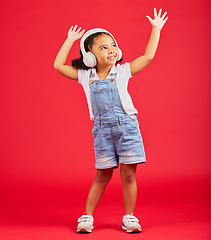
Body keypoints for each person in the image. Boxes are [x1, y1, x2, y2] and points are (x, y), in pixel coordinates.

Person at [54, 8, 168, 233]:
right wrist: (69, 40)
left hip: (127, 128)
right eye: (103, 47)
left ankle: (129, 217)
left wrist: (156, 29)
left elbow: (148, 57)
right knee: (102, 174)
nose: (111, 50)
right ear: (89, 55)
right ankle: (86, 217)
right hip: (102, 130)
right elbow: (58, 66)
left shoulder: (123, 71)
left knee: (128, 174)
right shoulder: (86, 75)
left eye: (113, 45)